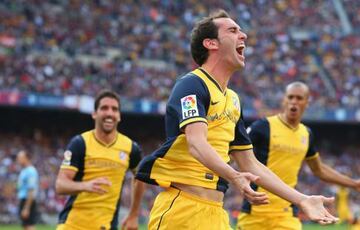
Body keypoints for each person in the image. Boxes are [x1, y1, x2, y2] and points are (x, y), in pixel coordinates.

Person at [135, 10, 338, 230]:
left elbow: (249, 163)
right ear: (211, 43)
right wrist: (235, 176)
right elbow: (196, 143)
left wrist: (301, 199)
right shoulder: (191, 84)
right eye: (233, 30)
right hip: (182, 210)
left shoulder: (232, 100)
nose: (243, 36)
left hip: (217, 215)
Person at [237, 82, 360, 230]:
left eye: (299, 98)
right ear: (284, 100)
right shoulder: (262, 126)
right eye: (291, 97)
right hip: (255, 212)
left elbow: (319, 170)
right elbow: (237, 151)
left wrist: (354, 184)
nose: (294, 101)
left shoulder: (306, 134)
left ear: (307, 102)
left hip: (287, 214)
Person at [55, 90, 145, 230]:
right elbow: (60, 185)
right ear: (94, 114)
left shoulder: (131, 148)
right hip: (72, 225)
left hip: (105, 226)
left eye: (114, 109)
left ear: (119, 116)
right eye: (104, 108)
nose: (109, 113)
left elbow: (140, 178)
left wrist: (133, 214)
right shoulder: (80, 143)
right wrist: (85, 186)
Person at [16, 150, 39, 230]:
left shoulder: (31, 171)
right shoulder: (24, 170)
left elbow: (31, 190)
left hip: (28, 201)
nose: (18, 160)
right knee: (25, 225)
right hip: (24, 200)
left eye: (20, 158)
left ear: (26, 158)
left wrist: (27, 208)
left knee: (29, 225)